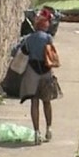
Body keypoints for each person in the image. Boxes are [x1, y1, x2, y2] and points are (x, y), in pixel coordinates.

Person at [19, 16, 61, 145]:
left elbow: (21, 50)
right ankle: (49, 129)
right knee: (47, 102)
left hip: (32, 71)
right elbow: (51, 52)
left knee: (34, 102)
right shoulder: (48, 38)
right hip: (46, 71)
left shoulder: (28, 39)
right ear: (45, 26)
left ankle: (36, 132)